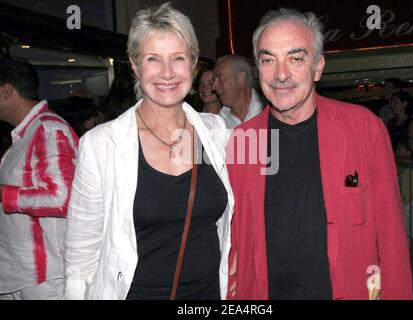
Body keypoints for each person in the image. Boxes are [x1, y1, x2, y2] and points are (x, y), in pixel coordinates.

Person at [226, 8, 413, 300]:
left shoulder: (363, 128)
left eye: (296, 58)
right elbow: (234, 237)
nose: (281, 74)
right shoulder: (244, 139)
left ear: (318, 67)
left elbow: (390, 234)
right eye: (268, 60)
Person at [64, 3, 234, 300]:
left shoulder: (216, 132)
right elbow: (81, 255)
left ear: (193, 64)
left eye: (178, 58)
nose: (167, 73)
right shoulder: (101, 145)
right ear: (134, 65)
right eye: (153, 59)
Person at [0, 57, 79, 299]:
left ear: (6, 90)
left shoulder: (49, 129)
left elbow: (61, 198)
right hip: (21, 275)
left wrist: (3, 193)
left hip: (45, 280)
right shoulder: (27, 134)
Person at [213, 55, 265, 128]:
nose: (213, 87)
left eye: (219, 78)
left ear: (241, 78)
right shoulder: (219, 123)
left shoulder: (270, 111)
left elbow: (275, 139)